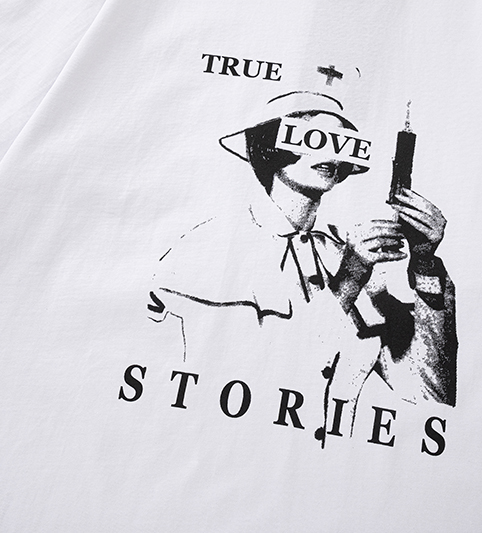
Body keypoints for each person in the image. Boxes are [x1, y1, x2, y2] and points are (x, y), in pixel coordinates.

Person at [148, 91, 457, 443]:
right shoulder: (210, 249)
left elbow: (429, 395)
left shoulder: (345, 252)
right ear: (271, 145)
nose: (331, 153)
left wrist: (425, 263)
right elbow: (245, 386)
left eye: (340, 141)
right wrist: (348, 281)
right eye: (313, 137)